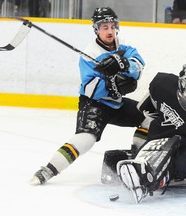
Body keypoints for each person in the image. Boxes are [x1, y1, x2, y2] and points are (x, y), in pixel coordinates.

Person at [29, 7, 150, 186]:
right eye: (104, 27)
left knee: (149, 117)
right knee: (86, 139)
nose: (109, 31)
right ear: (96, 29)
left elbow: (139, 65)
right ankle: (48, 170)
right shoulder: (90, 53)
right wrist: (112, 84)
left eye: (112, 26)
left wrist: (124, 64)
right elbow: (90, 88)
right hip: (95, 104)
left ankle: (135, 158)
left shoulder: (123, 45)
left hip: (116, 104)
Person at [114, 63, 186, 203]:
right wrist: (147, 108)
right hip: (161, 135)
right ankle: (138, 161)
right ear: (182, 85)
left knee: (179, 166)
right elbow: (148, 102)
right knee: (143, 137)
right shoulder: (164, 84)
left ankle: (150, 181)